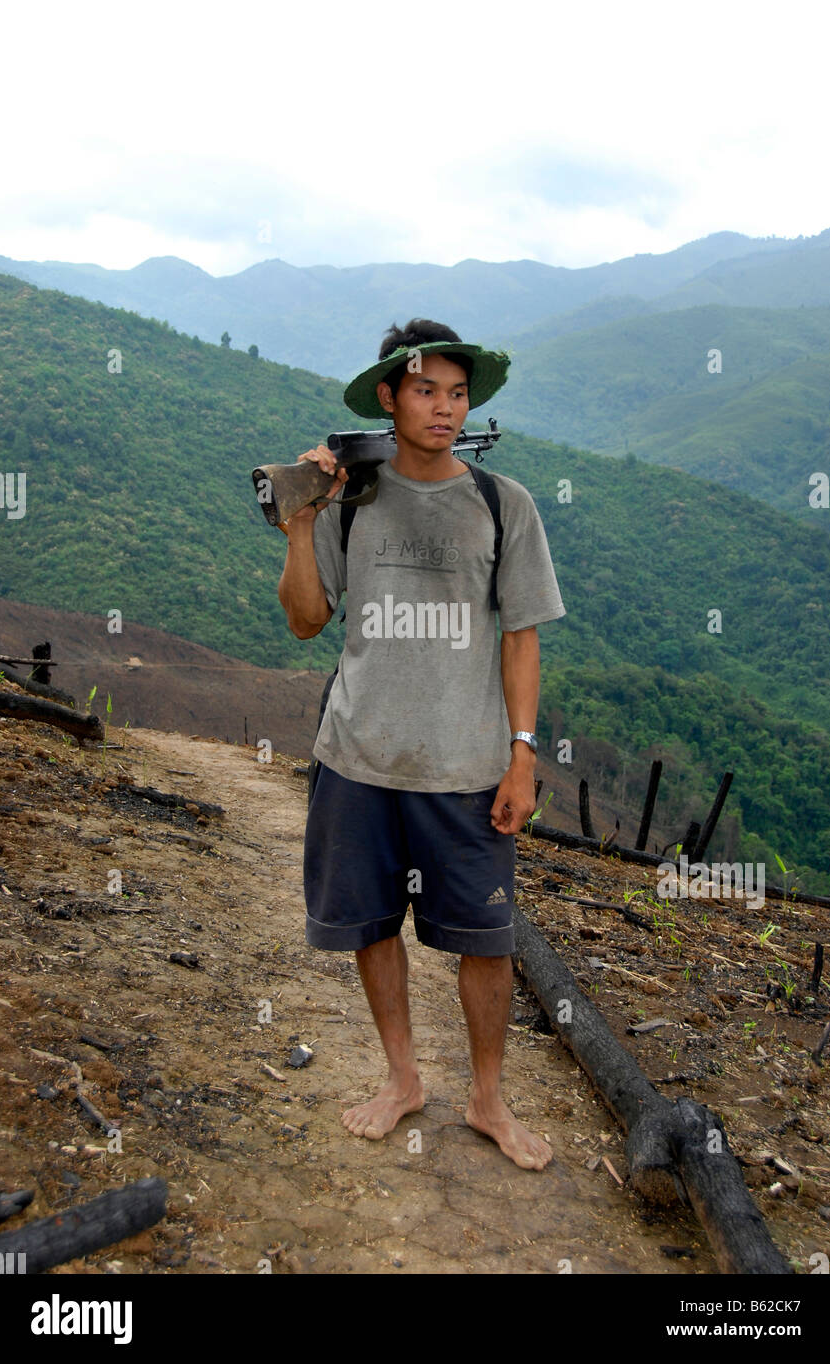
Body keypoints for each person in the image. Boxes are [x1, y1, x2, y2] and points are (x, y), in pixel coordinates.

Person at [278, 318, 566, 1169]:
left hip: (467, 768)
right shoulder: (352, 500)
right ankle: (403, 1079)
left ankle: (487, 1098)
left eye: (457, 393)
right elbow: (304, 621)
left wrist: (522, 750)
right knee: (372, 925)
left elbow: (522, 636)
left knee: (486, 942)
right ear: (389, 400)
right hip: (359, 758)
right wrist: (301, 523)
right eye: (426, 391)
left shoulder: (500, 504)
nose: (444, 408)